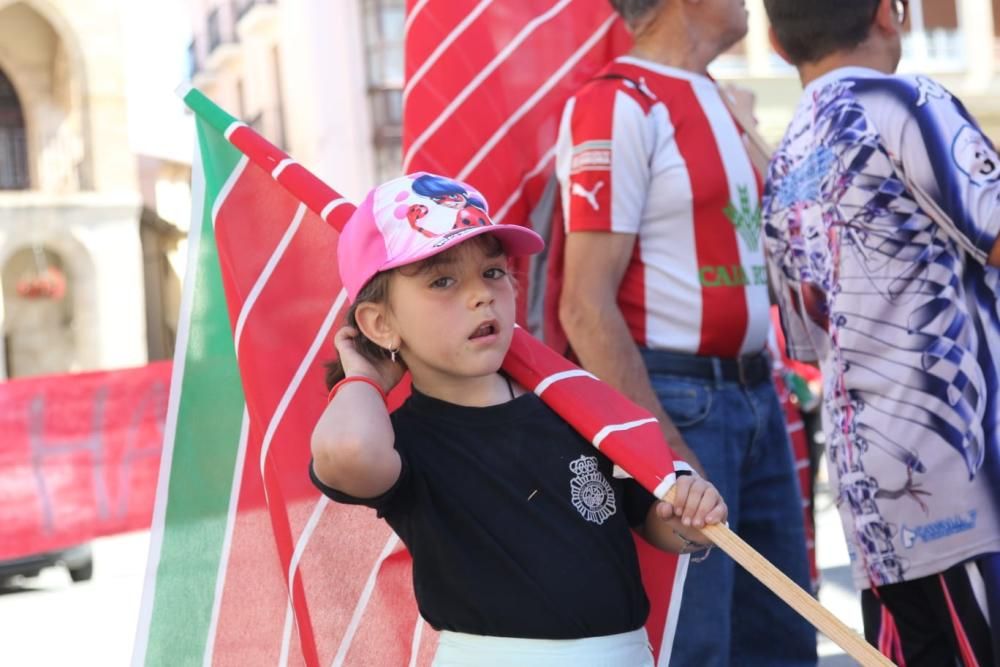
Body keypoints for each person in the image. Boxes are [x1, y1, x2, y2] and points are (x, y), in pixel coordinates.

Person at [309, 172, 729, 666]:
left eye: (493, 272)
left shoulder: (578, 407)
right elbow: (348, 453)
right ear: (381, 323)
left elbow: (649, 514)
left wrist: (689, 523)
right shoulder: (403, 441)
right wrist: (363, 373)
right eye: (442, 281)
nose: (482, 295)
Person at [554, 1, 817, 665]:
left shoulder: (722, 100)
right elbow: (583, 305)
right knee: (695, 644)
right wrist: (662, 454)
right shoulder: (618, 102)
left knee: (783, 639)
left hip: (756, 392)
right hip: (681, 402)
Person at [761, 0, 1000, 663]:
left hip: (876, 506)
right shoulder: (904, 101)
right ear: (890, 15)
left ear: (777, 44)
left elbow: (806, 342)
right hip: (969, 475)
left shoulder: (781, 167)